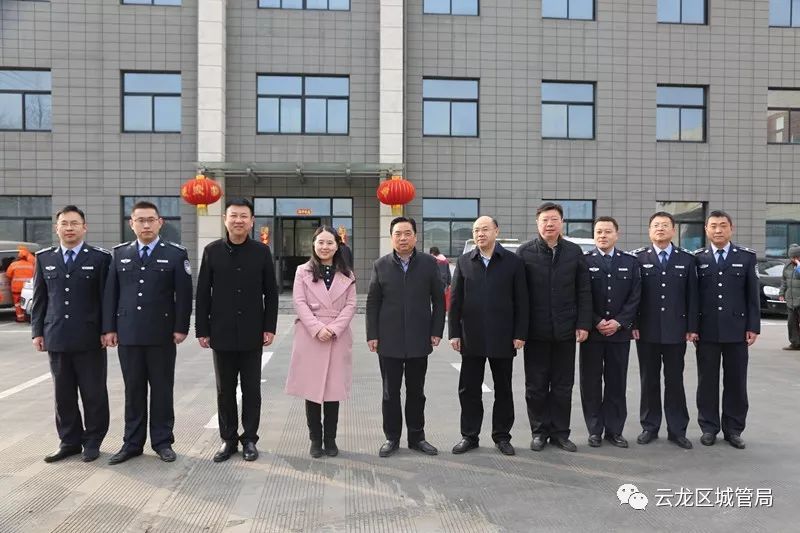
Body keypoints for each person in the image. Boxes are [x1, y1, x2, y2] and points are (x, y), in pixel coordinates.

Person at [102, 200, 193, 464]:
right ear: (131, 224)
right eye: (139, 220)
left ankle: (163, 441)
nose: (145, 224)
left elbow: (184, 295)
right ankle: (132, 443)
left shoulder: (175, 254)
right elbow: (111, 294)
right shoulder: (119, 254)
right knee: (133, 390)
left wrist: (181, 327)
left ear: (160, 222)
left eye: (150, 219)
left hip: (162, 333)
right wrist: (109, 328)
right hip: (128, 333)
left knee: (162, 389)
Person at [195, 198, 278, 463]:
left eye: (244, 216)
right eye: (234, 216)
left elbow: (272, 293)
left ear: (252, 221)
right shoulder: (212, 251)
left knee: (252, 389)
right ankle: (228, 439)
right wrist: (202, 329)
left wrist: (269, 327)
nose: (239, 220)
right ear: (225, 219)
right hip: (221, 331)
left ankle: (250, 439)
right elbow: (203, 293)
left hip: (253, 332)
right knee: (225, 389)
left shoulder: (261, 252)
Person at [31, 205, 111, 463]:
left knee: (93, 393)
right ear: (56, 228)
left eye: (74, 223)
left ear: (84, 227)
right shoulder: (44, 258)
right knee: (63, 394)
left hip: (90, 338)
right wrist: (37, 332)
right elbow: (40, 298)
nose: (69, 228)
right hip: (56, 335)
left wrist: (106, 330)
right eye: (64, 223)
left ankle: (93, 440)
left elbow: (106, 299)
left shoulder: (100, 258)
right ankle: (69, 441)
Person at [448, 216, 528, 456]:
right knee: (469, 389)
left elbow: (522, 301)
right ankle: (469, 436)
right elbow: (455, 301)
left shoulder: (512, 262)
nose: (480, 234)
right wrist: (454, 333)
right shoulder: (464, 262)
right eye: (476, 230)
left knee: (503, 388)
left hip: (503, 336)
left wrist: (520, 333)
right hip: (471, 336)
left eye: (484, 229)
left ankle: (502, 436)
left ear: (496, 231)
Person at [366, 216, 445, 457]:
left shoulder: (429, 264)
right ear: (392, 237)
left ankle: (417, 437)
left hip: (419, 339)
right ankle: (392, 438)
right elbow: (373, 302)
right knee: (390, 393)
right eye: (398, 234)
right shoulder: (381, 265)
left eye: (407, 233)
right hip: (388, 340)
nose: (403, 238)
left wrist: (436, 331)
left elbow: (439, 301)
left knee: (416, 392)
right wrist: (373, 335)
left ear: (416, 236)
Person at [517, 202, 592, 453]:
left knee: (562, 385)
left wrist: (583, 323)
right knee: (536, 385)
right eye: (545, 220)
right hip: (536, 333)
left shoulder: (573, 252)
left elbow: (583, 290)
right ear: (537, 224)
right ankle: (539, 431)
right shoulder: (525, 252)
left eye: (554, 220)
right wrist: (520, 331)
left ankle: (560, 432)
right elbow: (519, 295)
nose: (549, 224)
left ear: (562, 223)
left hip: (565, 331)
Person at [285, 226, 357, 458]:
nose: (325, 247)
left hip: (337, 336)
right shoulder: (301, 271)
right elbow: (299, 302)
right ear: (314, 245)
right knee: (312, 390)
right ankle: (315, 440)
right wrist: (317, 328)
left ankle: (331, 440)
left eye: (330, 243)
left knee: (333, 391)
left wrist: (334, 329)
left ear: (338, 245)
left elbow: (351, 306)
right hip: (310, 336)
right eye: (320, 243)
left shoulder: (347, 274)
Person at [694, 210, 759, 449]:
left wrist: (753, 327)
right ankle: (709, 427)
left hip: (737, 330)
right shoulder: (698, 258)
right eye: (713, 226)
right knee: (707, 382)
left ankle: (733, 429)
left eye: (723, 226)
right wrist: (693, 327)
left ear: (731, 228)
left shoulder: (746, 257)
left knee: (736, 382)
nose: (718, 230)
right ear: (706, 230)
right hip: (706, 330)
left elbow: (752, 296)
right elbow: (693, 297)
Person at [632, 212, 698, 450]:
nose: (660, 229)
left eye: (665, 226)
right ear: (650, 231)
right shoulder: (638, 258)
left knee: (674, 380)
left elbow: (693, 297)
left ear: (673, 230)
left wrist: (692, 327)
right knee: (648, 379)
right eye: (656, 226)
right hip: (646, 331)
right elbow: (634, 297)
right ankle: (649, 426)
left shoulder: (686, 259)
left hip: (676, 331)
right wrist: (634, 325)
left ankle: (677, 429)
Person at [579, 217, 641, 448]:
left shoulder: (630, 262)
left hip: (619, 334)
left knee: (616, 383)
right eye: (598, 232)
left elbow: (635, 297)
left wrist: (619, 322)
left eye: (607, 232)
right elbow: (581, 296)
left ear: (617, 234)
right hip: (592, 335)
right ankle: (594, 430)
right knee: (591, 383)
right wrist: (595, 321)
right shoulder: (584, 261)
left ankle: (615, 430)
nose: (602, 236)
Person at [779, 244, 800, 351]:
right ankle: (795, 343)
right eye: (791, 257)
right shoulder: (787, 266)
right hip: (791, 300)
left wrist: (799, 266)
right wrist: (781, 293)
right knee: (791, 323)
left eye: (795, 257)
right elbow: (784, 281)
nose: (793, 259)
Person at [7, 245, 35, 322]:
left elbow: (8, 274)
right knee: (27, 301)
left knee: (17, 303)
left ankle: (20, 317)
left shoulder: (13, 264)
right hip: (28, 288)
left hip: (16, 288)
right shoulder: (31, 265)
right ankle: (27, 316)